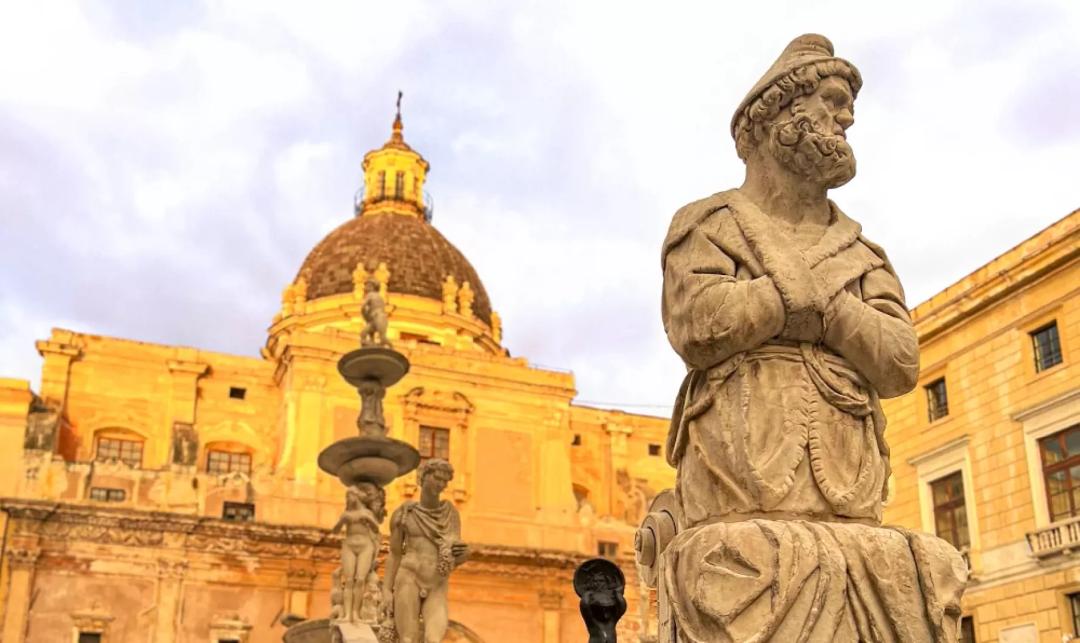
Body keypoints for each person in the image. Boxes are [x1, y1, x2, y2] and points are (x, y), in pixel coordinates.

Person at [382, 459, 468, 643]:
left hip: (437, 583)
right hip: (409, 577)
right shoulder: (404, 514)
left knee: (434, 639)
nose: (441, 484)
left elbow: (453, 556)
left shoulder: (450, 513)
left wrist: (463, 554)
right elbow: (395, 554)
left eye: (445, 481)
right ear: (423, 477)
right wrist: (386, 590)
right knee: (407, 639)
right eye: (437, 478)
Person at [331, 483, 385, 623]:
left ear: (356, 496)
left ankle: (356, 613)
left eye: (349, 496)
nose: (348, 499)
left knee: (360, 579)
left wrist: (368, 520)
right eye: (347, 497)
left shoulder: (367, 513)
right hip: (349, 545)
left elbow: (376, 528)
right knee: (349, 580)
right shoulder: (347, 514)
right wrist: (341, 521)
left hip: (365, 545)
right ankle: (347, 614)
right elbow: (335, 531)